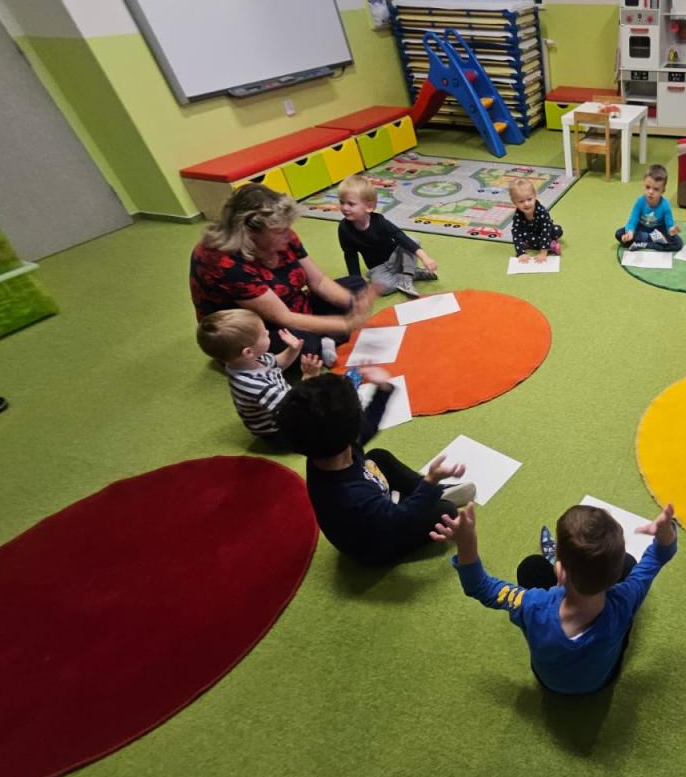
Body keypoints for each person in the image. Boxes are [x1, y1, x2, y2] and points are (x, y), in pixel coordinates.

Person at [432, 500, 679, 696]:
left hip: (548, 683)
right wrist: (666, 533)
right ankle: (593, 568)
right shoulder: (626, 598)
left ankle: (564, 563)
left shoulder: (532, 605)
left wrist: (467, 543)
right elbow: (658, 556)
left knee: (530, 567)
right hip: (601, 681)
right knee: (629, 563)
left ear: (559, 572)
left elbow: (479, 586)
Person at [275, 370, 475, 567]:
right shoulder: (349, 495)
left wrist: (382, 391)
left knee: (378, 456)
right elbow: (397, 521)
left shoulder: (326, 449)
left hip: (372, 512)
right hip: (376, 544)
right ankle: (425, 494)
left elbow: (367, 427)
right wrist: (430, 482)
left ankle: (424, 493)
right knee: (447, 512)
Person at [189, 184, 375, 365]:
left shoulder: (283, 235)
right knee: (303, 346)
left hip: (291, 305)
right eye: (279, 232)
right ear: (249, 233)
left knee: (356, 285)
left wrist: (352, 302)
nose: (288, 235)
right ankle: (325, 338)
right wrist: (344, 324)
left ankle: (326, 338)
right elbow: (283, 317)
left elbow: (318, 281)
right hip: (252, 332)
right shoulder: (221, 261)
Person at [196, 308, 322, 443]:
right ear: (248, 352)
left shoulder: (249, 361)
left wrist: (293, 349)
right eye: (263, 334)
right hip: (281, 431)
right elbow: (294, 406)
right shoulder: (257, 387)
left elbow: (278, 363)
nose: (268, 332)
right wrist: (308, 377)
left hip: (282, 402)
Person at [335, 174, 437, 298]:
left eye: (351, 204)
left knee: (412, 240)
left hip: (395, 257)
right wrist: (356, 283)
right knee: (382, 289)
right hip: (378, 267)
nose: (345, 208)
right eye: (342, 202)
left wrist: (425, 257)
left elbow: (400, 236)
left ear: (369, 207)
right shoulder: (344, 228)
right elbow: (350, 255)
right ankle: (412, 273)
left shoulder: (379, 221)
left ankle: (406, 278)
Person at [614, 165, 681, 252]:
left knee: (678, 244)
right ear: (643, 185)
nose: (650, 192)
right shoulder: (640, 202)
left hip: (658, 230)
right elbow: (632, 220)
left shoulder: (665, 205)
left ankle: (645, 244)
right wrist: (630, 232)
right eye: (647, 187)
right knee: (619, 234)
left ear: (663, 190)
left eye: (656, 189)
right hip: (642, 228)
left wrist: (672, 230)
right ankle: (650, 240)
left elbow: (669, 225)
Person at [508, 177, 563, 263]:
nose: (526, 204)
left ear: (535, 196)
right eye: (521, 201)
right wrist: (521, 253)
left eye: (529, 199)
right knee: (523, 234)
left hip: (544, 233)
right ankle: (551, 245)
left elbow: (545, 231)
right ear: (514, 202)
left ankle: (544, 245)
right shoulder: (518, 215)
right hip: (530, 235)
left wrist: (543, 252)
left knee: (557, 229)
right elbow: (516, 233)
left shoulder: (542, 212)